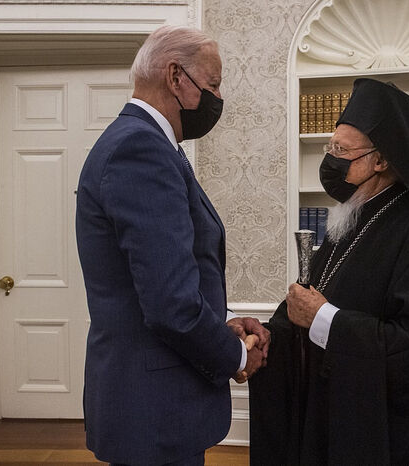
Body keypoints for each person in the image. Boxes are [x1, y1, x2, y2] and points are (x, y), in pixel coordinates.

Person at [249, 78, 409, 465]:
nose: (330, 160)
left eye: (341, 150)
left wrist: (324, 318)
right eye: (330, 147)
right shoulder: (351, 215)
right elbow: (315, 298)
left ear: (381, 160)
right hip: (330, 407)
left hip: (377, 431)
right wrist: (270, 335)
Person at [76, 25, 269, 466]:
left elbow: (166, 275)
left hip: (153, 401)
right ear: (176, 76)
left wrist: (220, 321)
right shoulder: (140, 148)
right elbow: (170, 302)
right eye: (213, 85)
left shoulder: (149, 143)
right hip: (153, 407)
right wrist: (236, 355)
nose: (218, 98)